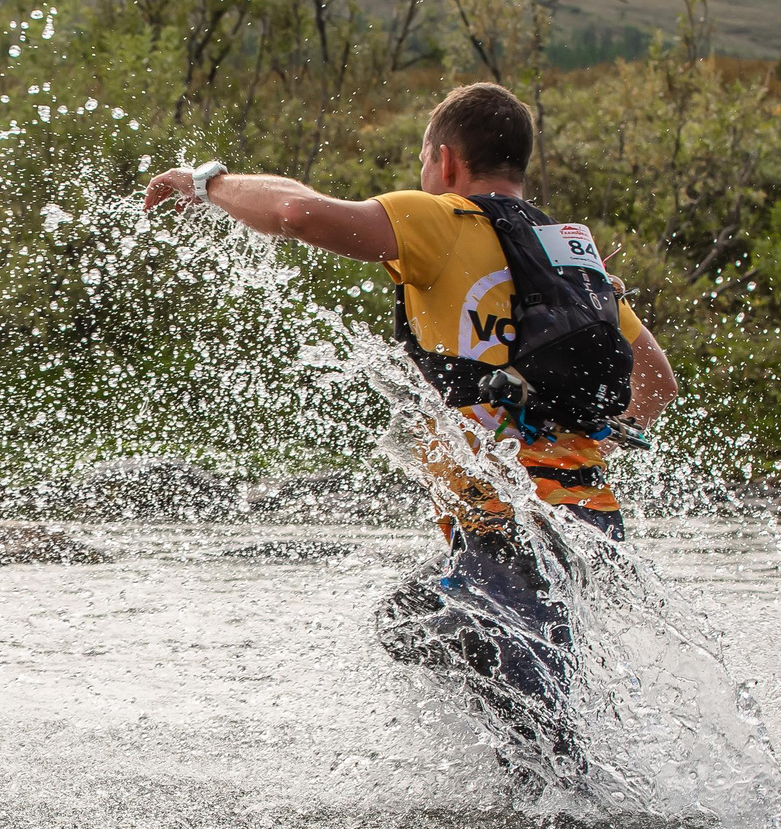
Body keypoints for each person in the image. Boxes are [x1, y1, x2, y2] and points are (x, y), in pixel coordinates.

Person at [143, 82, 679, 784]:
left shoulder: (440, 218)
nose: (423, 176)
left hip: (508, 532)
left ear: (446, 161)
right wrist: (584, 443)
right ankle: (543, 808)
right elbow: (658, 381)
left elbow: (296, 211)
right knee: (409, 621)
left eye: (425, 162)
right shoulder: (566, 253)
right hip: (579, 526)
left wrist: (205, 183)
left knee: (544, 759)